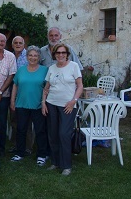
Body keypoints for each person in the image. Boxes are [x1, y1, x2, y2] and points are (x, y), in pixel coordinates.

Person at [42, 43, 83, 176]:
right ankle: (55, 162)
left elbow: (80, 86)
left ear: (67, 54)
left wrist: (73, 101)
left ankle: (66, 165)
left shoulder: (73, 66)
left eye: (63, 53)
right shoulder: (51, 68)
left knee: (64, 134)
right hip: (51, 104)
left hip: (68, 106)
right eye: (58, 53)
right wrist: (43, 103)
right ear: (54, 55)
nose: (60, 55)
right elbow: (46, 87)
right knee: (53, 134)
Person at [10, 46, 48, 166]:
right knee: (21, 130)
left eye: (35, 56)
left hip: (37, 105)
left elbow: (47, 88)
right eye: (30, 55)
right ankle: (20, 153)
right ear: (27, 57)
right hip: (21, 104)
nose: (33, 58)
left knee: (40, 131)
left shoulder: (44, 70)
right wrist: (12, 101)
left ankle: (42, 155)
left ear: (39, 57)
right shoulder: (21, 70)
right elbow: (15, 85)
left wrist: (44, 103)